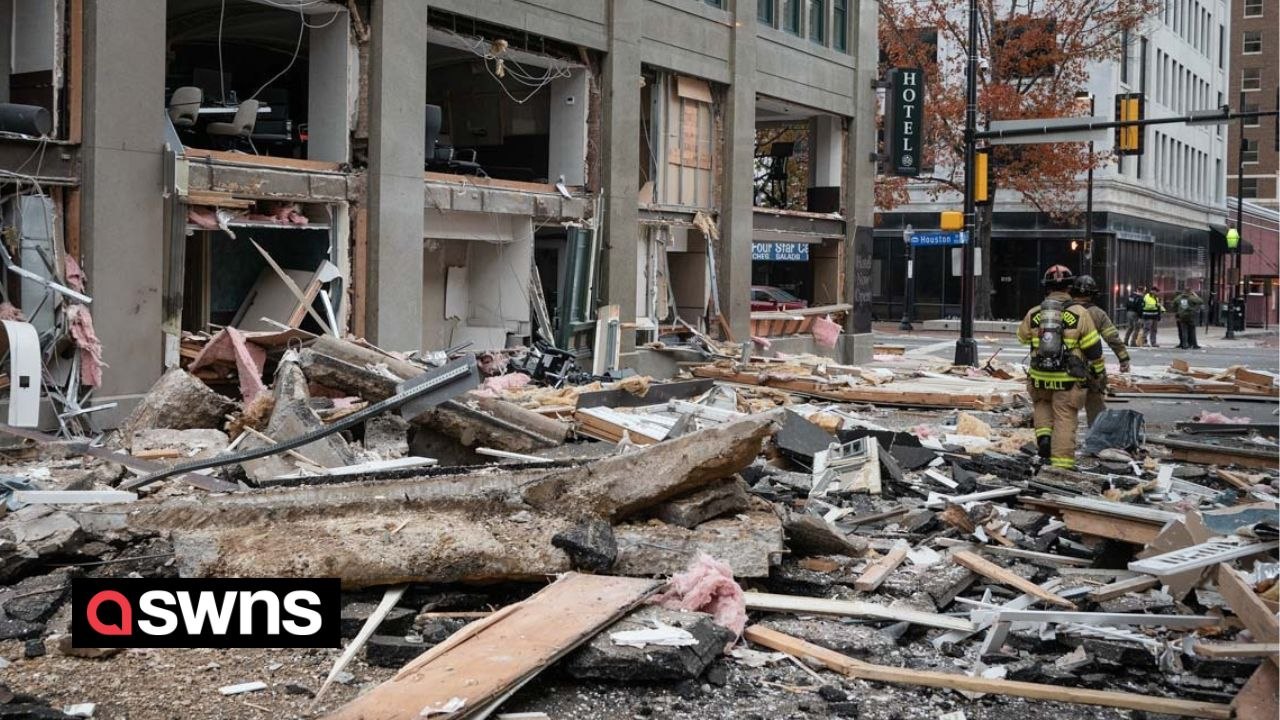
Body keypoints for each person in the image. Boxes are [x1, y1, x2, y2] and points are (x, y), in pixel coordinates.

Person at [1017, 265, 1105, 470]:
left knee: (1042, 405)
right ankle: (1061, 466)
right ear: (1070, 288)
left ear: (1045, 288)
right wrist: (1098, 373)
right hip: (1068, 378)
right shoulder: (1080, 313)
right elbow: (1094, 350)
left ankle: (1045, 439)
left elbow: (1021, 338)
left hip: (1039, 376)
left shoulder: (1034, 313)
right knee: (1065, 416)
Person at [1070, 275, 1131, 425]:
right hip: (1090, 365)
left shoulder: (1065, 310)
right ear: (1092, 294)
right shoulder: (1098, 313)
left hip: (1064, 365)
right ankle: (1096, 435)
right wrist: (1124, 359)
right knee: (1095, 401)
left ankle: (1063, 435)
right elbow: (1112, 338)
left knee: (1065, 406)